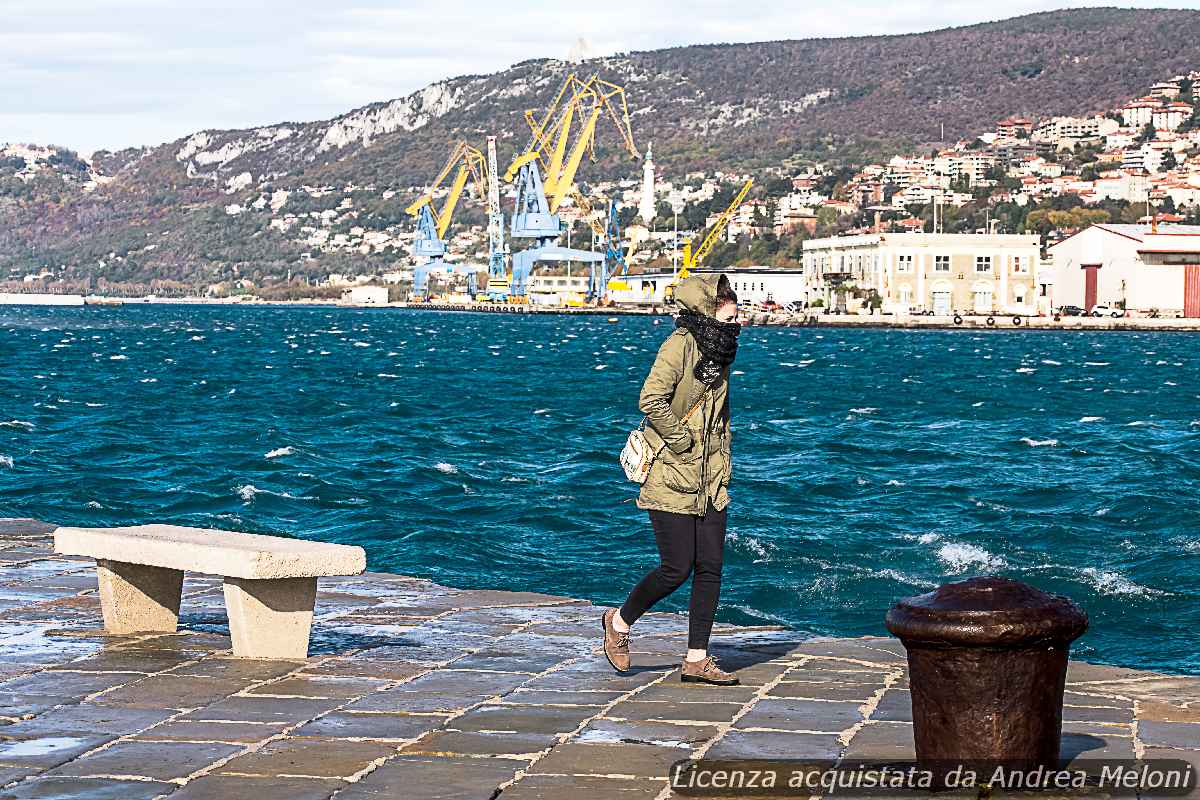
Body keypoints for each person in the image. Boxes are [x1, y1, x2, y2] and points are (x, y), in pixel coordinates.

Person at [602, 273, 742, 685]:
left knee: (711, 566)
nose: (738, 324)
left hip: (712, 475)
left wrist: (722, 459)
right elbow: (650, 398)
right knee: (676, 567)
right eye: (731, 316)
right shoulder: (680, 345)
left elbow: (720, 417)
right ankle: (620, 623)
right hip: (672, 470)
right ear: (708, 311)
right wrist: (683, 442)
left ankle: (697, 660)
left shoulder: (721, 350)